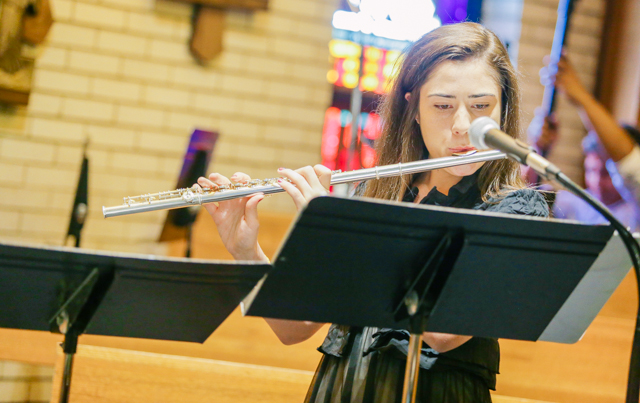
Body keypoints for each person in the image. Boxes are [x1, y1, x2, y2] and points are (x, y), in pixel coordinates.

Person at [197, 22, 548, 403]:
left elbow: (445, 334)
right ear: (413, 108)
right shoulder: (375, 192)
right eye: (443, 106)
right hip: (343, 388)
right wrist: (246, 251)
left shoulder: (513, 209)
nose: (463, 126)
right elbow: (293, 329)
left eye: (481, 106)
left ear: (504, 107)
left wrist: (339, 230)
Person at [554, 55, 640, 203]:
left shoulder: (632, 210)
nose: (598, 183)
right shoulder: (579, 206)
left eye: (607, 173)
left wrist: (580, 96)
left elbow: (632, 168)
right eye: (591, 171)